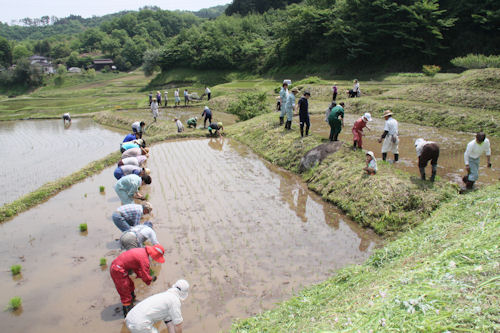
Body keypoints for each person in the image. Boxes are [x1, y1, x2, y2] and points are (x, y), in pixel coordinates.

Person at [110, 244, 165, 317]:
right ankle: (128, 315)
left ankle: (132, 301)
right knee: (125, 290)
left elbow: (137, 268)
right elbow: (145, 276)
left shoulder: (142, 251)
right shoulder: (144, 260)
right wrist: (151, 279)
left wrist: (142, 276)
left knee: (130, 285)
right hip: (117, 269)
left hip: (118, 266)